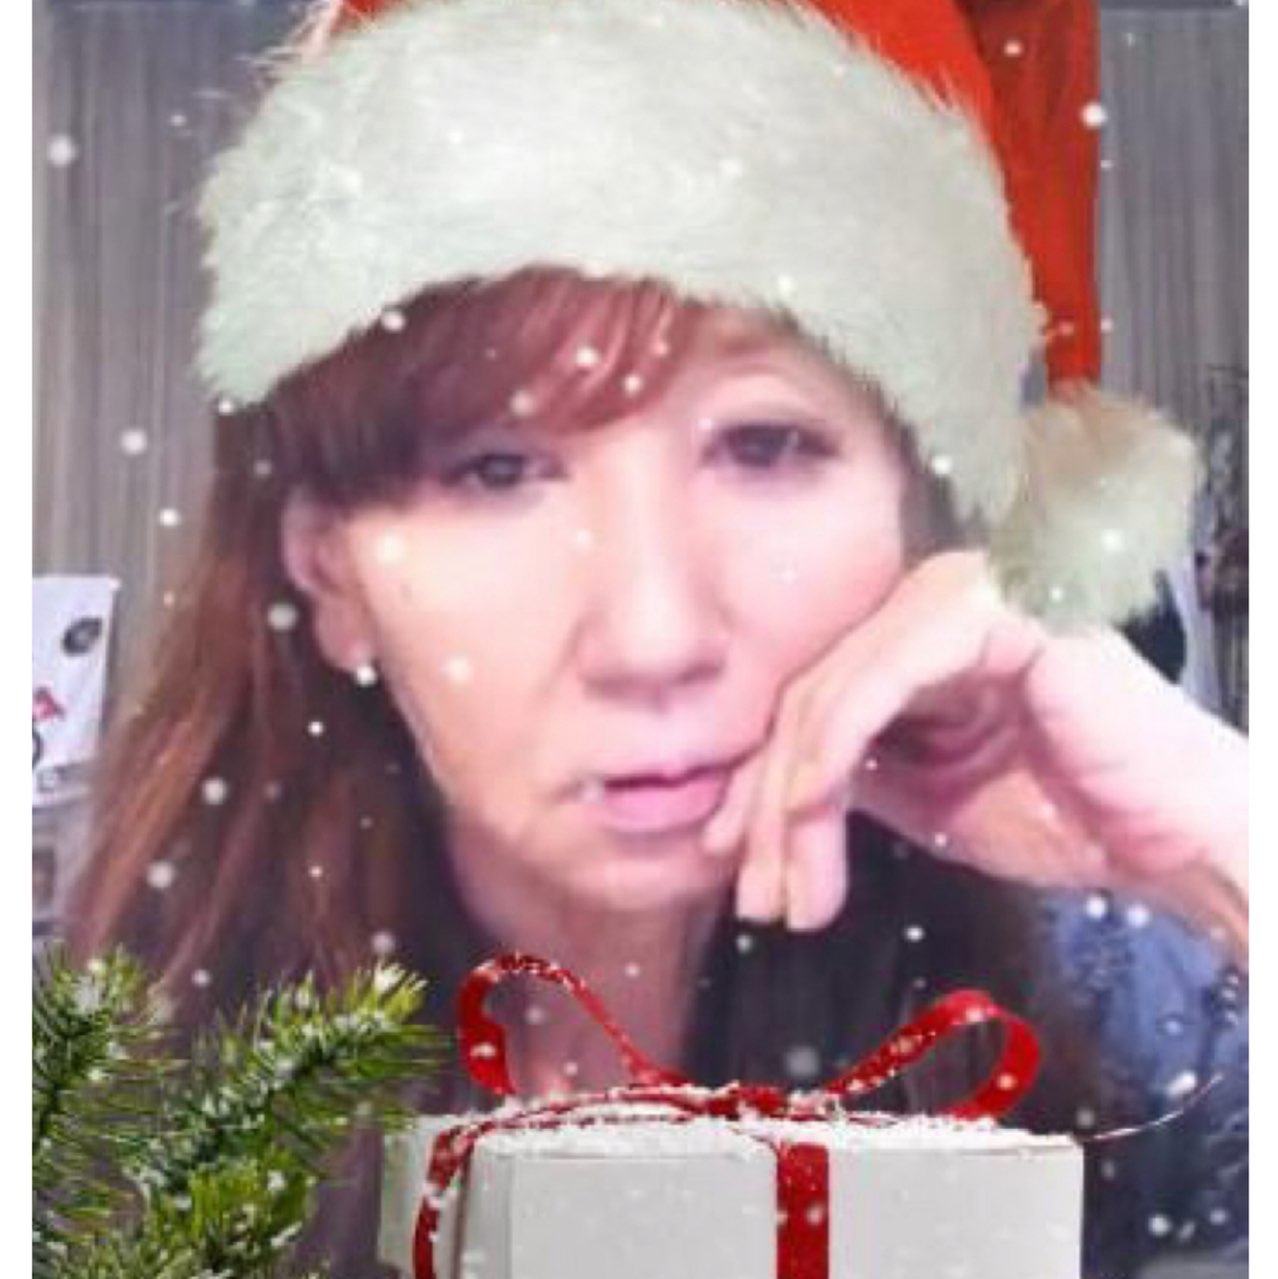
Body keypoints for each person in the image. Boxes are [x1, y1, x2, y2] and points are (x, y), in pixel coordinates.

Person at [66, 0, 1248, 1274]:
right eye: (498, 468)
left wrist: (1224, 848)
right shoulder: (112, 1088)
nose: (653, 635)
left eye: (765, 443)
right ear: (330, 570)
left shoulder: (1101, 997)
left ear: (913, 511)